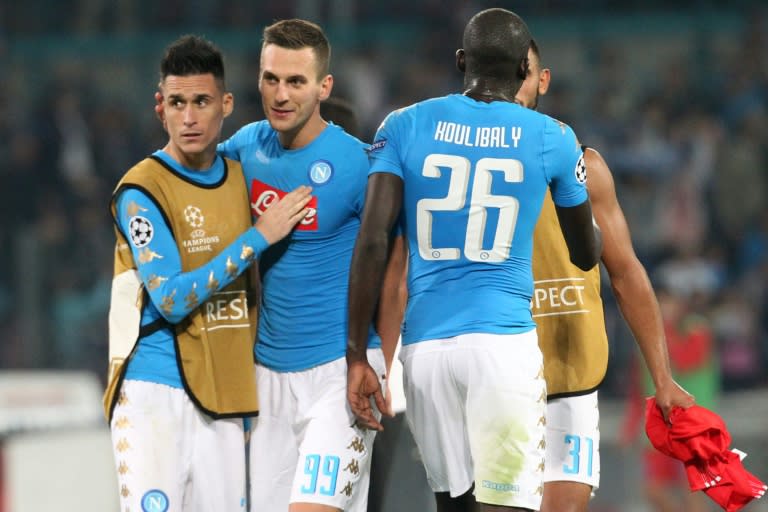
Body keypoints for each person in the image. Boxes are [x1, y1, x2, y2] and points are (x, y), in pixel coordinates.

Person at [346, 8, 602, 512]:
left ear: (462, 60)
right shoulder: (552, 136)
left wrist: (359, 352)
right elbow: (584, 253)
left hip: (425, 352)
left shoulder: (403, 125)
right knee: (508, 505)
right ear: (525, 73)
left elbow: (373, 241)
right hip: (501, 345)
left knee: (452, 504)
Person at [105, 35, 312, 512]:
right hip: (154, 390)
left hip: (226, 392)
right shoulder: (142, 188)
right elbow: (172, 299)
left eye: (201, 102)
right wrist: (259, 236)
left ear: (226, 104)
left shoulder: (241, 178)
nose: (190, 117)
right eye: (177, 103)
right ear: (161, 107)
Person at [216, 20, 404, 512]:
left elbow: (395, 269)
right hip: (267, 379)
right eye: (271, 78)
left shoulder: (360, 163)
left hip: (338, 375)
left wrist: (378, 361)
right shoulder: (243, 150)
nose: (280, 94)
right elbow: (187, 187)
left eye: (295, 81)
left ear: (324, 87)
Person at [515, 40, 695, 512]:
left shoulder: (586, 167)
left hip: (572, 374)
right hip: (494, 372)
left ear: (543, 80)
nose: (511, 88)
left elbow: (627, 273)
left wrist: (663, 377)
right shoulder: (461, 170)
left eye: (522, 74)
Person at [620, 286, 716, 512]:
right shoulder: (645, 343)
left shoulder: (696, 329)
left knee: (693, 489)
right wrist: (629, 429)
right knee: (652, 490)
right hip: (660, 426)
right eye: (658, 305)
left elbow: (686, 360)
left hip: (694, 425)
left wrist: (661, 332)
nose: (663, 310)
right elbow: (638, 391)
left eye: (667, 304)